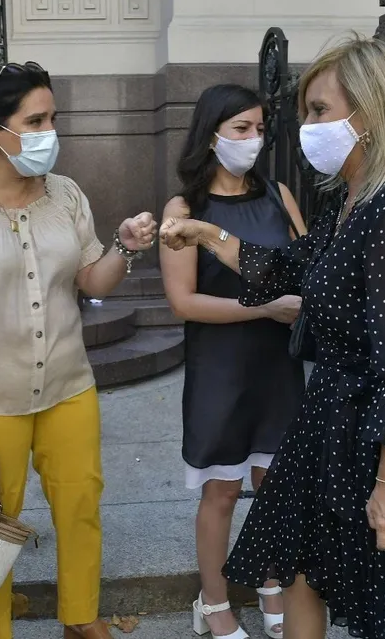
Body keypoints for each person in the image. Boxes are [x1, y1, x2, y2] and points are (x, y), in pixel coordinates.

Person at [160, 35, 385, 639]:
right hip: (330, 423)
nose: (303, 129)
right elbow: (288, 268)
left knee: (384, 613)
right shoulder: (349, 204)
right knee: (305, 575)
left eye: (319, 111)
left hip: (374, 434)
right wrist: (206, 235)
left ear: (367, 113)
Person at [0, 61, 156, 639]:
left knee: (80, 506)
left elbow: (91, 281)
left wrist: (124, 246)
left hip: (68, 387)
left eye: (53, 119)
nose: (48, 133)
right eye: (34, 121)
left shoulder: (65, 195)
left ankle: (81, 619)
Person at [160, 84, 306, 639]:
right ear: (211, 135)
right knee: (220, 489)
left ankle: (271, 582)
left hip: (278, 366)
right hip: (221, 365)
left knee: (276, 482)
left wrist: (287, 303)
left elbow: (303, 266)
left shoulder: (279, 195)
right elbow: (184, 302)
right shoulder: (184, 210)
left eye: (259, 129)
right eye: (241, 129)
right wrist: (265, 306)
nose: (254, 140)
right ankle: (214, 600)